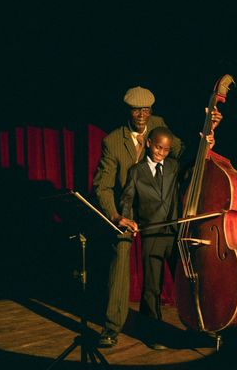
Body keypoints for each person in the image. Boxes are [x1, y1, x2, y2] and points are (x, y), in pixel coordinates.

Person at [92, 85, 221, 348]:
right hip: (128, 207)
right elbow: (103, 186)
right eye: (136, 110)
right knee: (121, 254)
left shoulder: (159, 124)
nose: (142, 115)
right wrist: (116, 216)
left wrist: (208, 136)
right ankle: (112, 327)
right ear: (128, 110)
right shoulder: (113, 141)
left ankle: (198, 323)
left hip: (160, 211)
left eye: (146, 110)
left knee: (184, 265)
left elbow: (183, 155)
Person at [118, 126, 182, 349]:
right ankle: (153, 333)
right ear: (148, 143)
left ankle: (197, 326)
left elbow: (195, 168)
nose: (161, 153)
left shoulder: (174, 166)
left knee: (186, 281)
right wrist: (127, 218)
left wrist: (208, 142)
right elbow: (127, 199)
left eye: (166, 150)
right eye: (158, 147)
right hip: (151, 234)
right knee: (152, 287)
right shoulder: (136, 171)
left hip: (175, 233)